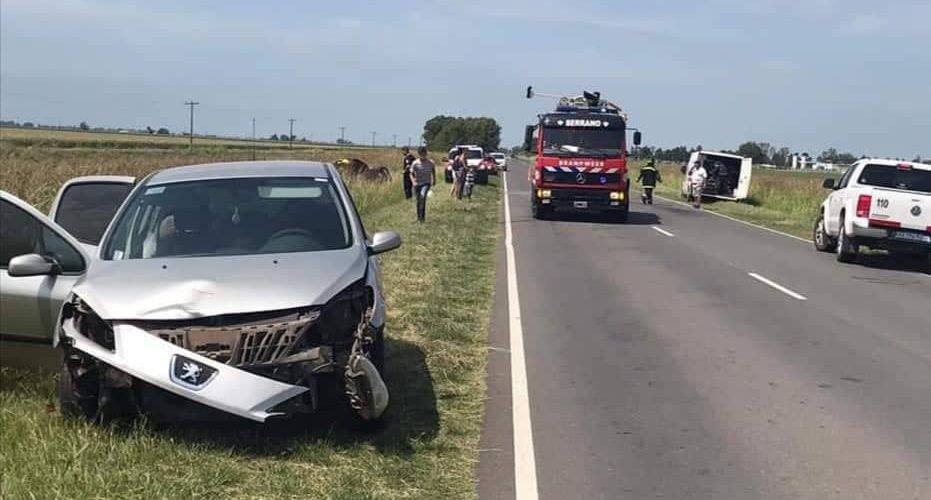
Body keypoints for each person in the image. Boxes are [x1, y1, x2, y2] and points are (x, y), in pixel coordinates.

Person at [409, 146, 436, 222]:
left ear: (426, 154)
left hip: (426, 183)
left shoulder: (430, 162)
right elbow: (411, 173)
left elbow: (433, 170)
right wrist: (413, 182)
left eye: (424, 154)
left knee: (422, 196)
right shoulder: (415, 163)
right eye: (421, 154)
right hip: (417, 184)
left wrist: (434, 179)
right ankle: (419, 217)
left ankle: (422, 218)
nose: (422, 156)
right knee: (418, 201)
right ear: (419, 154)